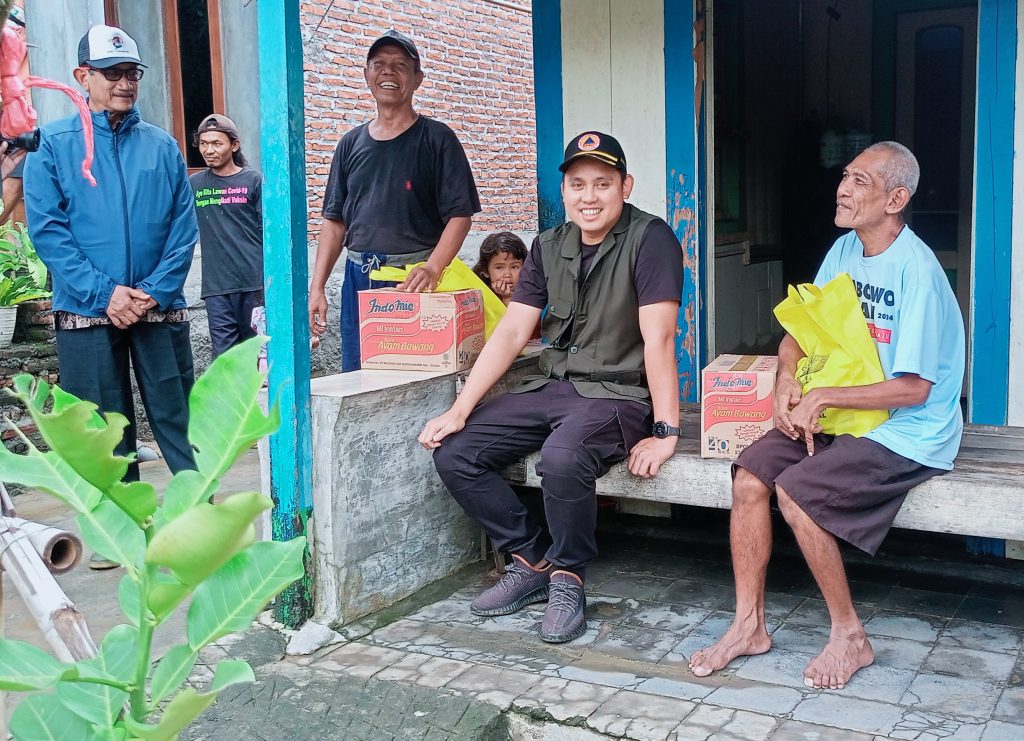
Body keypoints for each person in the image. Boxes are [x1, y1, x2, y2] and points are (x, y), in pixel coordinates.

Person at [688, 142, 965, 690]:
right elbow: (800, 332)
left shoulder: (919, 272)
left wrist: (825, 398)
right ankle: (749, 626)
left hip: (908, 430)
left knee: (796, 491)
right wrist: (788, 377)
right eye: (845, 176)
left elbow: (914, 389)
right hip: (843, 412)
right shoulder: (843, 251)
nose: (842, 188)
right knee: (749, 476)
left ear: (896, 198)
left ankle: (850, 636)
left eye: (860, 181)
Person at [418, 131, 685, 643]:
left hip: (617, 394)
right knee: (455, 451)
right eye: (578, 184)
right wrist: (461, 407)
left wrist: (667, 429)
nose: (590, 196)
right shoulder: (548, 245)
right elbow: (514, 331)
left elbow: (661, 338)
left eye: (603, 184)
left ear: (625, 186)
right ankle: (531, 557)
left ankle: (568, 574)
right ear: (563, 190)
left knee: (562, 458)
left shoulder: (651, 239)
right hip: (554, 386)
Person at [24, 25, 199, 568]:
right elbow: (48, 230)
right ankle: (117, 535)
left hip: (156, 306)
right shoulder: (53, 144)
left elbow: (182, 226)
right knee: (102, 425)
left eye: (132, 73)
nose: (125, 82)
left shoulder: (162, 144)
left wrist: (149, 292)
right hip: (86, 310)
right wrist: (104, 294)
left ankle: (197, 520)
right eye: (112, 73)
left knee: (178, 415)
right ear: (83, 78)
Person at [308, 29, 481, 371]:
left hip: (414, 279)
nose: (388, 72)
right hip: (359, 278)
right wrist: (318, 288)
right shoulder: (349, 144)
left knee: (415, 377)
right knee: (358, 374)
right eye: (380, 64)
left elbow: (460, 215)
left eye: (400, 65)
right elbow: (334, 221)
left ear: (418, 79)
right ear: (367, 75)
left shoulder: (437, 139)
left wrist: (433, 267)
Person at [189, 113, 264, 357]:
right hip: (217, 288)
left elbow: (267, 232)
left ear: (234, 145)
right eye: (204, 143)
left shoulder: (253, 181)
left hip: (254, 284)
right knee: (225, 361)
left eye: (217, 143)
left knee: (258, 356)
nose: (209, 150)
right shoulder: (195, 184)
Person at [472, 231, 527, 306]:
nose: (507, 274)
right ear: (485, 271)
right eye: (499, 267)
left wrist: (508, 298)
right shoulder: (479, 296)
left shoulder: (529, 294)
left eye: (514, 267)